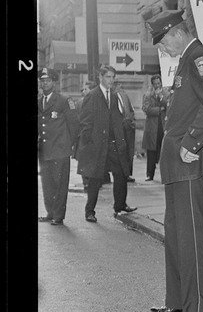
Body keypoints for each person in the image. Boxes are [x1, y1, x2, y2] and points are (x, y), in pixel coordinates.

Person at [146, 9, 203, 312]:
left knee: (192, 236)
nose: (162, 50)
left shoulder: (199, 57)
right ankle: (178, 300)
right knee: (177, 234)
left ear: (177, 33)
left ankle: (200, 307)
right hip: (178, 165)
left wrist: (192, 144)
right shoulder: (184, 60)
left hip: (191, 161)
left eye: (163, 42)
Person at [77, 65, 137, 223]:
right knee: (96, 178)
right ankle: (89, 211)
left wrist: (122, 138)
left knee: (122, 173)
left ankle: (120, 205)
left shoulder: (116, 96)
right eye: (108, 77)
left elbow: (118, 118)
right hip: (98, 145)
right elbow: (85, 122)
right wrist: (90, 142)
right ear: (100, 77)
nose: (111, 80)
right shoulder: (92, 96)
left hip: (114, 144)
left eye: (113, 77)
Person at [38, 68, 79, 225]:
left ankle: (58, 215)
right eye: (42, 81)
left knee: (60, 184)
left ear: (54, 82)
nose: (45, 83)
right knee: (47, 184)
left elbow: (74, 125)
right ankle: (50, 212)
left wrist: (68, 144)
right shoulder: (40, 101)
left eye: (48, 80)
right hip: (45, 150)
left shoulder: (64, 100)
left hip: (60, 150)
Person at [142, 75, 168, 181]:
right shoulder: (148, 95)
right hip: (152, 127)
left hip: (163, 125)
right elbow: (146, 109)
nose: (157, 85)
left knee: (164, 151)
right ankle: (150, 174)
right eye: (155, 84)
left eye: (159, 83)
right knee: (151, 152)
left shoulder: (165, 94)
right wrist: (159, 110)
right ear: (152, 85)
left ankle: (165, 174)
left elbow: (168, 105)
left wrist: (161, 97)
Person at [114, 81, 137, 182]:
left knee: (129, 150)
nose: (119, 87)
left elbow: (131, 110)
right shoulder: (112, 96)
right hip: (119, 126)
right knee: (121, 151)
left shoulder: (125, 95)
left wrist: (131, 120)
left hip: (128, 125)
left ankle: (127, 173)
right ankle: (122, 173)